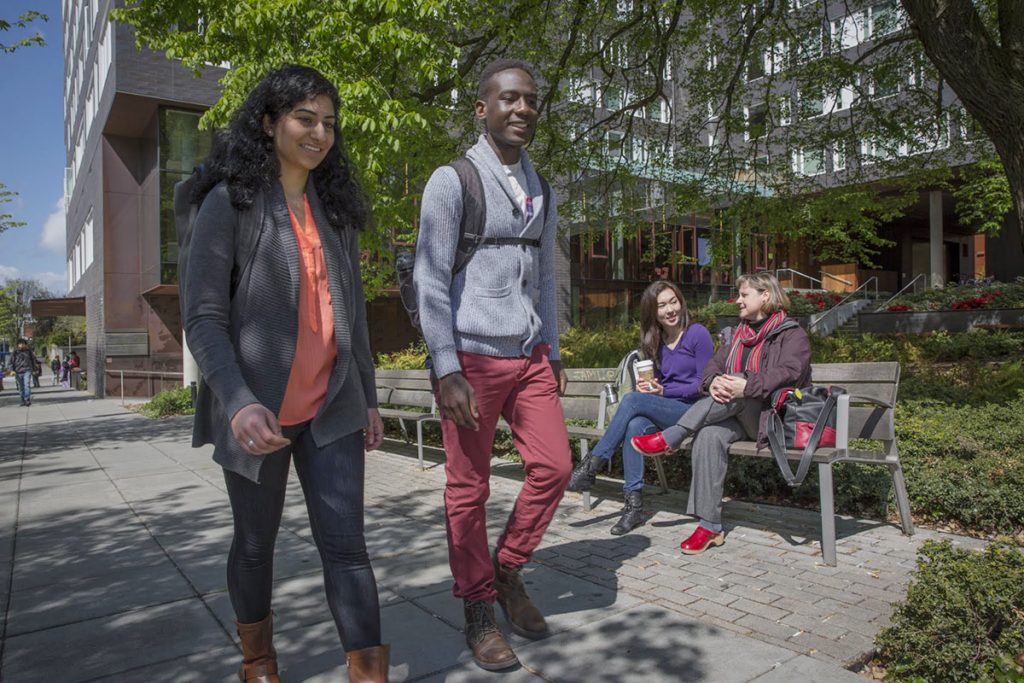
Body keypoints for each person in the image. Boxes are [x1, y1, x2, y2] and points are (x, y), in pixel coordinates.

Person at [183, 65, 388, 682]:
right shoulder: (230, 204)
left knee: (348, 548)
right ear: (269, 122)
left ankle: (369, 673)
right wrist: (238, 401)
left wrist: (369, 397)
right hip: (258, 415)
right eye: (305, 118)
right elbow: (203, 318)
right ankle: (258, 660)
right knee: (254, 546)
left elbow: (353, 318)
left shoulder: (336, 212)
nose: (319, 133)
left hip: (332, 410)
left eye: (329, 122)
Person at [414, 59, 570, 672]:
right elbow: (429, 277)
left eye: (531, 100)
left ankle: (506, 569)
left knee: (555, 466)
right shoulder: (453, 180)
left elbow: (549, 276)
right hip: (471, 357)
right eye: (509, 99)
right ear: (483, 108)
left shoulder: (542, 188)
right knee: (468, 489)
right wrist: (445, 366)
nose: (522, 109)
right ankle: (478, 608)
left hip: (529, 355)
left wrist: (552, 351)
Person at [631, 272, 811, 555]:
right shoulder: (738, 334)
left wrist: (746, 385)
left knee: (737, 378)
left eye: (744, 295)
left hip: (769, 417)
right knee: (709, 435)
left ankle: (673, 436)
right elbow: (711, 367)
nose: (737, 301)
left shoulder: (791, 334)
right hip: (737, 413)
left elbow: (790, 372)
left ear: (765, 296)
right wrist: (713, 381)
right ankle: (709, 526)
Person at [567, 281, 713, 535]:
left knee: (632, 400)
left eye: (673, 301)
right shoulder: (655, 342)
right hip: (667, 408)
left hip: (693, 412)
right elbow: (661, 384)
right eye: (662, 305)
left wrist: (665, 391)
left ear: (681, 302)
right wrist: (654, 387)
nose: (670, 309)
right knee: (634, 427)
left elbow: (704, 384)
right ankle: (633, 506)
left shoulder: (697, 334)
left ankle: (592, 465)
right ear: (652, 312)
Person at [11, 339, 37, 406]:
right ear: (17, 345)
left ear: (25, 344)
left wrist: (34, 370)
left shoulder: (29, 352)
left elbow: (33, 361)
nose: (21, 345)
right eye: (20, 344)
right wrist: (12, 370)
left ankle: (27, 399)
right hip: (18, 372)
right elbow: (11, 362)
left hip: (27, 370)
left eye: (23, 343)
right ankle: (22, 400)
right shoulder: (15, 352)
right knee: (21, 387)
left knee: (27, 384)